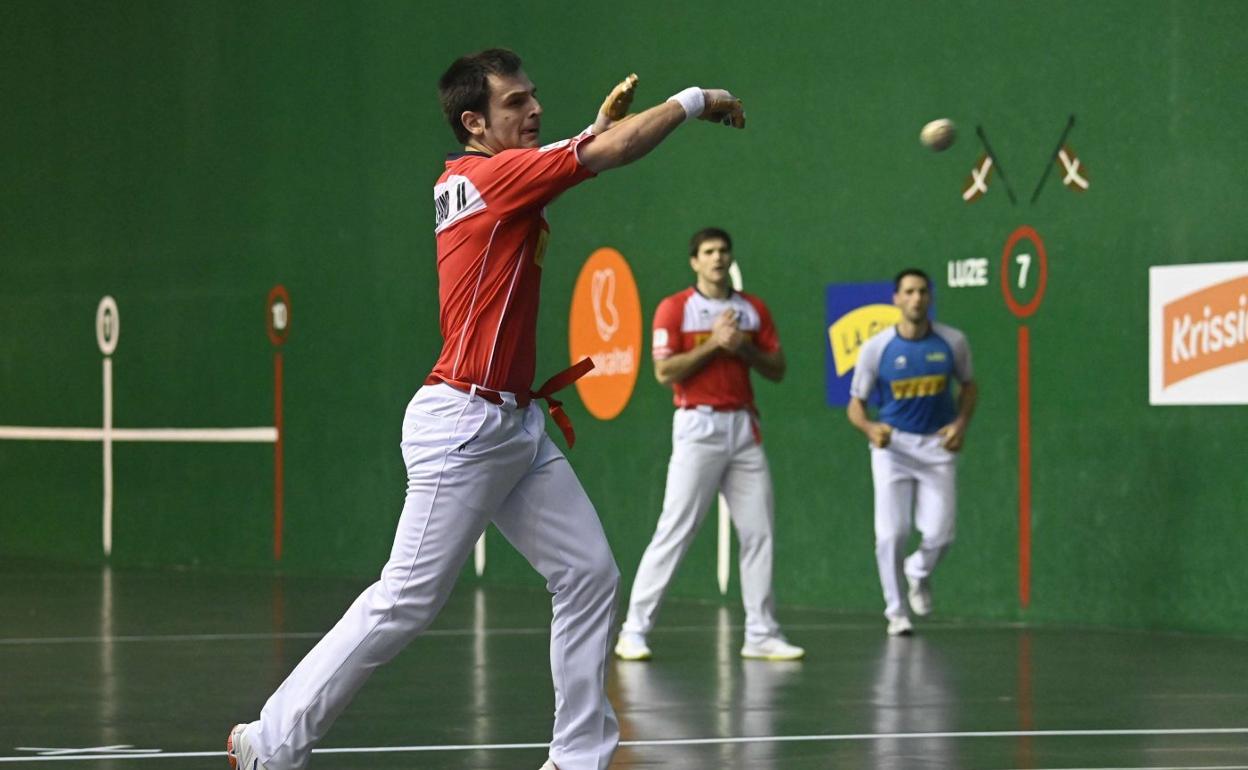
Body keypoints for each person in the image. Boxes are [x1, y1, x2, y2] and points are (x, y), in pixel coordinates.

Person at [226, 49, 747, 770]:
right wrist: (697, 95)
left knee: (589, 573)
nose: (533, 110)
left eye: (535, 97)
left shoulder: (481, 177)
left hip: (515, 427)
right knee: (405, 599)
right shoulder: (490, 177)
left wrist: (588, 134)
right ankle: (269, 741)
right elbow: (612, 152)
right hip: (463, 426)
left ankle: (577, 758)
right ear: (474, 121)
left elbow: (574, 158)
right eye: (515, 104)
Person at [614, 228, 804, 662]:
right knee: (676, 530)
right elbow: (665, 373)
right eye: (708, 252)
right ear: (694, 262)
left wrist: (743, 349)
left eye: (723, 251)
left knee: (759, 532)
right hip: (697, 427)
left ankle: (760, 633)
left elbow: (777, 368)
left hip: (744, 429)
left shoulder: (752, 311)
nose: (718, 258)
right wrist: (715, 345)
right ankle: (633, 631)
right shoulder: (675, 309)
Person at [847, 269, 977, 637]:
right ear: (896, 299)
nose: (916, 298)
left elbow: (968, 387)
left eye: (922, 291)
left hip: (937, 446)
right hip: (893, 448)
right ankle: (896, 612)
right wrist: (871, 428)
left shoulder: (953, 342)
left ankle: (918, 571)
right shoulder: (876, 348)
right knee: (891, 534)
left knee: (941, 533)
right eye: (909, 292)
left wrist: (960, 424)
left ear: (929, 298)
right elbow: (855, 406)